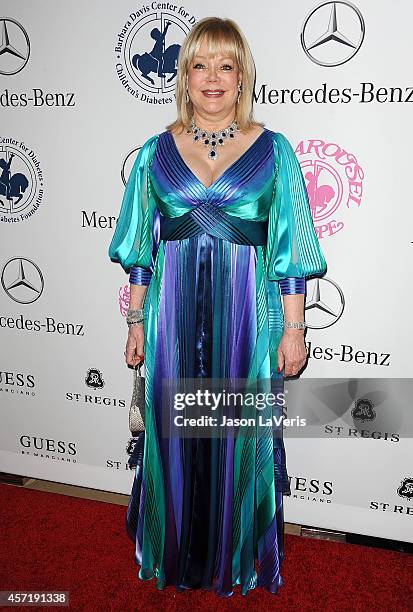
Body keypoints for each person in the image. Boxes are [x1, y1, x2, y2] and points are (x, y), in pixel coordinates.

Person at [108, 16, 327, 597]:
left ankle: (237, 556)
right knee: (173, 431)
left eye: (225, 65)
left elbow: (291, 250)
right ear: (184, 75)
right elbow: (138, 251)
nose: (212, 78)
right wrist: (135, 319)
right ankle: (173, 547)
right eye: (200, 65)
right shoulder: (157, 151)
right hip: (171, 317)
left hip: (247, 316)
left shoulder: (274, 151)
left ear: (241, 74)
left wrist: (295, 329)